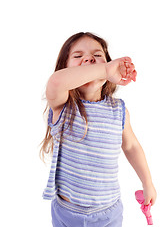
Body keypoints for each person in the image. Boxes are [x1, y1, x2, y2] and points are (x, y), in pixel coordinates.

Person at [41, 32, 156, 227]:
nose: (89, 58)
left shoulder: (118, 110)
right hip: (68, 212)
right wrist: (103, 68)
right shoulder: (63, 107)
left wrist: (148, 183)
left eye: (97, 55)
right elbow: (56, 82)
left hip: (108, 212)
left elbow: (131, 147)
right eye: (78, 57)